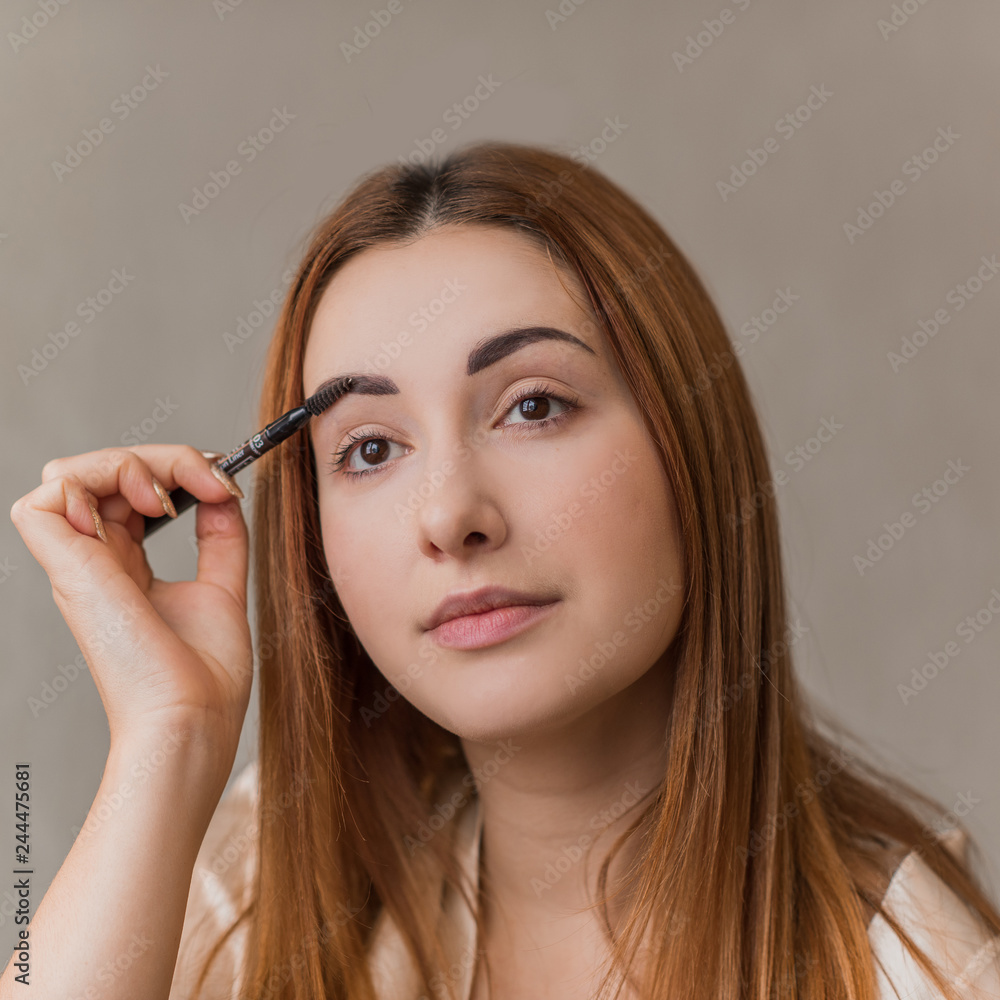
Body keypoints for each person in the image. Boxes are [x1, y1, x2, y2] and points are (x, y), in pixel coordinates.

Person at [6, 140, 1000, 1000]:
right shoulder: (271, 879)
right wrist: (166, 739)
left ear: (691, 446)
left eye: (532, 406)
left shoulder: (914, 970)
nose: (448, 515)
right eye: (368, 448)